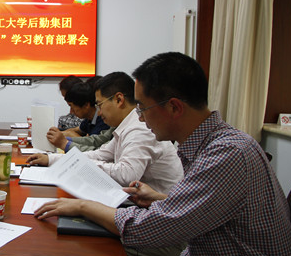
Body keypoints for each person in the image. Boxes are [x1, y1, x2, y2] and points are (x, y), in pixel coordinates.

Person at [34, 52, 291, 256]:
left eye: (142, 108)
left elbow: (149, 230)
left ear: (174, 107)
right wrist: (162, 198)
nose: (140, 118)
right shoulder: (214, 143)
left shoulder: (226, 154)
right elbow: (209, 208)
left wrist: (84, 206)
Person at [29, 71, 183, 195]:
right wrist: (51, 159)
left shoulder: (140, 128)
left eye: (100, 105)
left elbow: (126, 175)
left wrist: (79, 165)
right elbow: (100, 154)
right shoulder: (127, 126)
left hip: (158, 208)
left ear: (119, 100)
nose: (99, 112)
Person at [46, 80, 113, 152]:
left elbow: (95, 148)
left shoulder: (104, 121)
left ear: (86, 105)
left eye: (72, 106)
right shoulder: (89, 119)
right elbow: (89, 137)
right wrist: (59, 135)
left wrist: (64, 142)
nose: (71, 112)